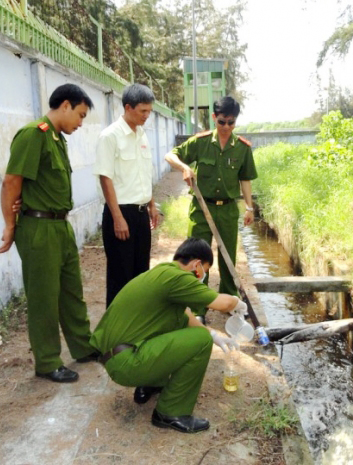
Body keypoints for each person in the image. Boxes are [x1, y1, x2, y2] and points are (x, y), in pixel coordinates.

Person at [89, 237, 246, 433]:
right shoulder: (179, 278)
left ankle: (150, 384)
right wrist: (238, 303)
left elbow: (184, 316)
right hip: (127, 364)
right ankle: (171, 412)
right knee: (201, 342)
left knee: (182, 325)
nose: (203, 276)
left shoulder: (163, 272)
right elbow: (222, 304)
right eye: (205, 271)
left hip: (116, 358)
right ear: (197, 264)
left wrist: (213, 334)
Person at [0, 83, 99, 383]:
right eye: (80, 115)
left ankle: (83, 346)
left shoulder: (56, 139)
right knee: (44, 297)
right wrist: (9, 225)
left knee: (71, 291)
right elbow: (11, 181)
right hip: (38, 228)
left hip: (59, 225)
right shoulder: (34, 134)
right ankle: (47, 361)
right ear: (65, 105)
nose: (80, 123)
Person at [164, 96, 257, 322]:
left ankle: (227, 300)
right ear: (214, 118)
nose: (226, 127)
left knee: (227, 259)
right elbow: (170, 156)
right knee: (196, 258)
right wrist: (185, 167)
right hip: (201, 208)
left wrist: (249, 208)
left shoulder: (242, 148)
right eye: (222, 121)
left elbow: (245, 179)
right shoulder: (201, 142)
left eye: (231, 123)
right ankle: (198, 307)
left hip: (227, 210)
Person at [93, 83, 161, 307]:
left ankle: (137, 328)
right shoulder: (110, 136)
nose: (147, 116)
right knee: (120, 276)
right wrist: (117, 217)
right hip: (120, 213)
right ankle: (116, 334)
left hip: (141, 214)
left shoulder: (141, 134)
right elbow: (106, 178)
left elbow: (143, 172)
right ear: (128, 107)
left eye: (149, 111)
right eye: (143, 111)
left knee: (141, 273)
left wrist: (151, 205)